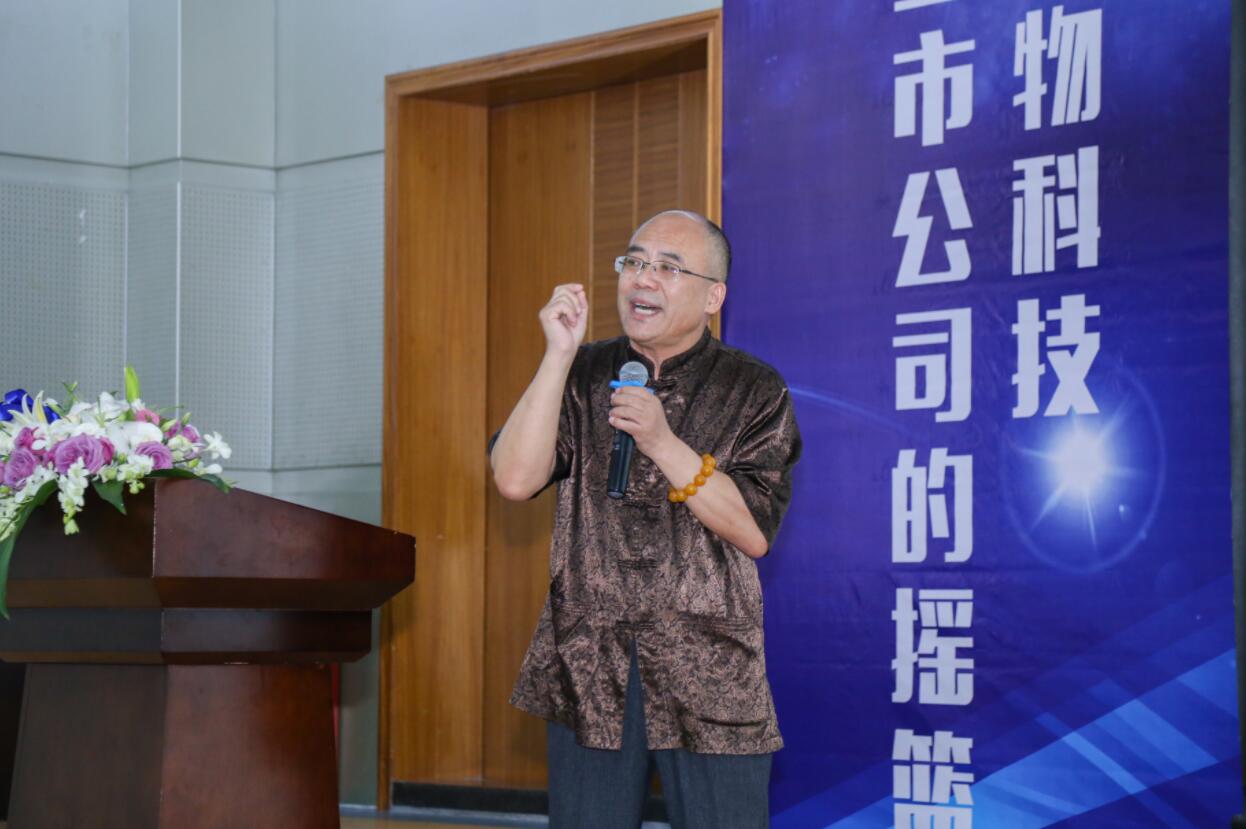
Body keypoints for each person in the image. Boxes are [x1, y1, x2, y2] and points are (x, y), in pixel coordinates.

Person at [489, 210, 801, 828]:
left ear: (713, 297)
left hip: (709, 664)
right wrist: (557, 356)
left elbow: (753, 530)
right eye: (633, 262)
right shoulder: (581, 373)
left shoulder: (754, 389)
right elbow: (515, 479)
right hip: (591, 659)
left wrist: (662, 443)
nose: (643, 279)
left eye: (667, 267)